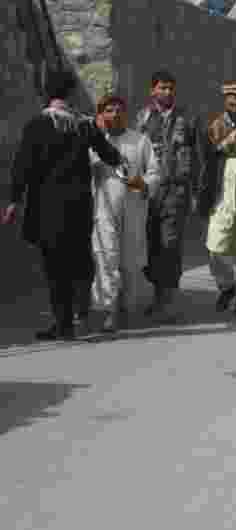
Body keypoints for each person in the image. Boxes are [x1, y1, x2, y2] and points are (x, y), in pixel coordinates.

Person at [4, 70, 124, 340]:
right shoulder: (84, 124)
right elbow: (109, 153)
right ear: (70, 94)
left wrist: (14, 200)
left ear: (48, 93)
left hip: (47, 208)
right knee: (79, 259)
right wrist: (121, 164)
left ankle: (64, 324)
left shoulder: (38, 124)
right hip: (79, 206)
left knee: (55, 267)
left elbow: (23, 165)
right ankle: (80, 311)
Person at [90, 94, 162, 333]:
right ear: (102, 114)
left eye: (119, 109)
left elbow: (155, 173)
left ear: (126, 113)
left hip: (133, 208)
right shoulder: (94, 142)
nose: (115, 114)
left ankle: (128, 305)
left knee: (131, 261)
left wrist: (143, 183)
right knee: (106, 256)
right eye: (109, 110)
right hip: (103, 208)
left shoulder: (140, 141)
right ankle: (108, 311)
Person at [135, 69, 198, 322]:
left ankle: (167, 299)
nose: (167, 92)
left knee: (170, 244)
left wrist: (194, 191)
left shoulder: (187, 118)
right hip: (149, 191)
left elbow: (197, 157)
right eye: (162, 87)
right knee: (151, 244)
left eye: (171, 88)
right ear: (153, 90)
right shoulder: (143, 118)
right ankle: (157, 294)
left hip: (176, 189)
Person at [198, 81, 236, 319]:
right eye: (231, 98)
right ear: (225, 100)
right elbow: (206, 157)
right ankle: (226, 285)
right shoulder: (215, 125)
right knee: (216, 244)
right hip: (222, 186)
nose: (235, 102)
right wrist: (224, 145)